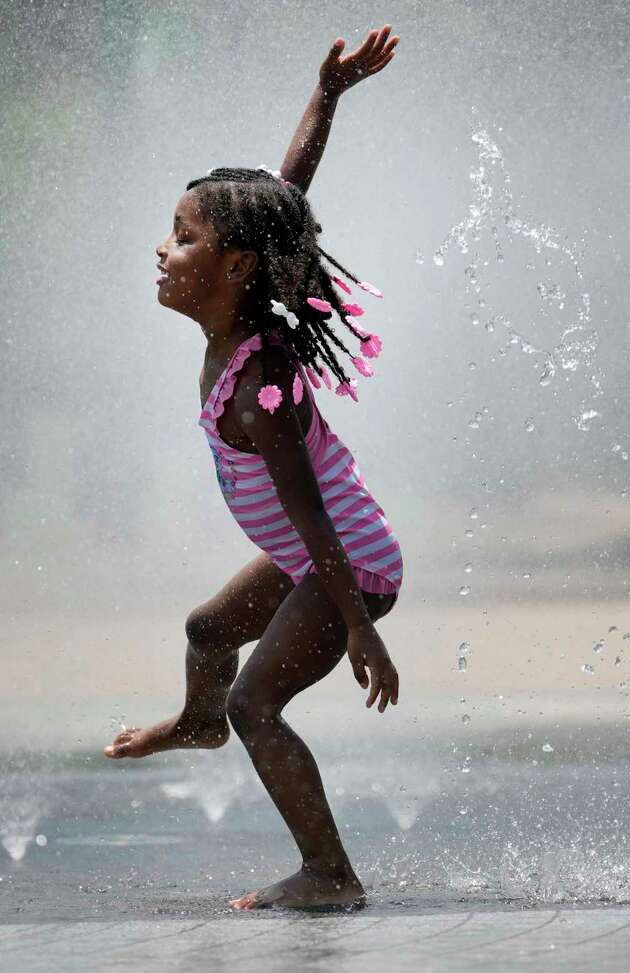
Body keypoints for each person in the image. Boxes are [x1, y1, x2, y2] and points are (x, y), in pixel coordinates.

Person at [104, 26, 403, 911]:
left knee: (256, 704)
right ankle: (196, 725)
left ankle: (330, 873)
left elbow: (312, 514)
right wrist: (328, 95)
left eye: (182, 237)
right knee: (207, 630)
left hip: (352, 562)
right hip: (321, 558)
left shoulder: (258, 386)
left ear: (233, 266)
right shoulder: (242, 313)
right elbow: (285, 194)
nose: (163, 249)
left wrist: (359, 625)